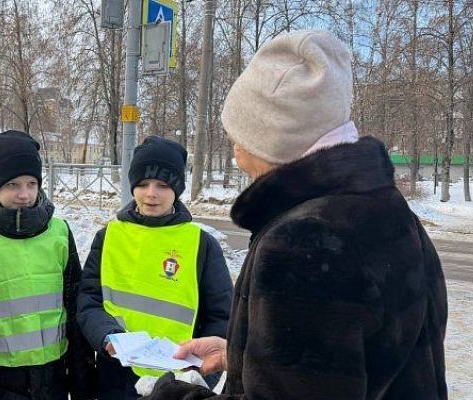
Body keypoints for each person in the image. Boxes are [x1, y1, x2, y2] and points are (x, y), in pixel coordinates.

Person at [144, 30, 448, 400]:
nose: (236, 152)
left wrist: (171, 395)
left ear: (273, 138)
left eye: (241, 135)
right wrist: (240, 354)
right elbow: (356, 359)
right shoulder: (385, 207)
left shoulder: (304, 243)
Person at [77, 135, 233, 400]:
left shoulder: (201, 245)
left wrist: (201, 376)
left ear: (177, 190)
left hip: (176, 383)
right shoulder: (109, 237)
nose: (151, 193)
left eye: (162, 185)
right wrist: (107, 337)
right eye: (143, 183)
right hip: (116, 375)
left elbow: (221, 317)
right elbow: (88, 299)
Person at [0, 130, 97, 400]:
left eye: (32, 184)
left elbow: (74, 304)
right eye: (13, 185)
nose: (24, 194)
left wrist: (82, 378)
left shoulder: (59, 232)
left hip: (53, 375)